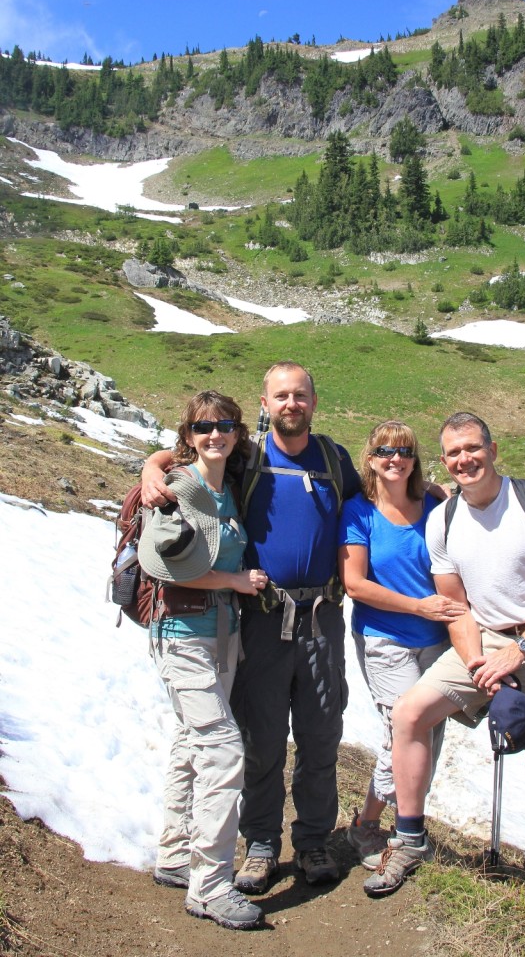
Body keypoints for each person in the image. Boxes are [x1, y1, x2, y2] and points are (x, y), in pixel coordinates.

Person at [141, 362, 361, 894]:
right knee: (261, 737)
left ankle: (311, 841)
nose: (292, 403)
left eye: (300, 395)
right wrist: (152, 466)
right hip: (261, 619)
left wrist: (438, 499)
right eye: (281, 395)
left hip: (322, 618)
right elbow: (193, 452)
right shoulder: (248, 455)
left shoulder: (335, 459)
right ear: (265, 404)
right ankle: (261, 842)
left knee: (320, 734)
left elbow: (378, 501)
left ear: (314, 400)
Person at [364, 412, 525, 907]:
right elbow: (456, 606)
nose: (465, 460)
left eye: (472, 448)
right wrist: (482, 668)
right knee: (409, 714)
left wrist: (521, 651)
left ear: (493, 448)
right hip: (483, 639)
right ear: (443, 462)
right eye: (453, 453)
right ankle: (409, 839)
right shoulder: (443, 520)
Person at [140, 390, 268, 930]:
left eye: (224, 426)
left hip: (223, 634)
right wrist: (235, 580)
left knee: (192, 742)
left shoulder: (229, 484)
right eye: (202, 427)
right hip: (183, 633)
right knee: (220, 748)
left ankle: (173, 856)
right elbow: (162, 565)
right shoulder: (182, 488)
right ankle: (210, 887)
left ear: (237, 432)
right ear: (187, 435)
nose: (214, 435)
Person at [338, 421, 464, 871]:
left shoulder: (436, 503)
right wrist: (418, 607)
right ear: (370, 459)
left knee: (425, 739)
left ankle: (391, 825)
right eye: (385, 451)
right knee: (404, 736)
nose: (395, 458)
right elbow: (355, 584)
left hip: (438, 643)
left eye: (404, 450)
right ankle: (378, 827)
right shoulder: (358, 511)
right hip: (386, 640)